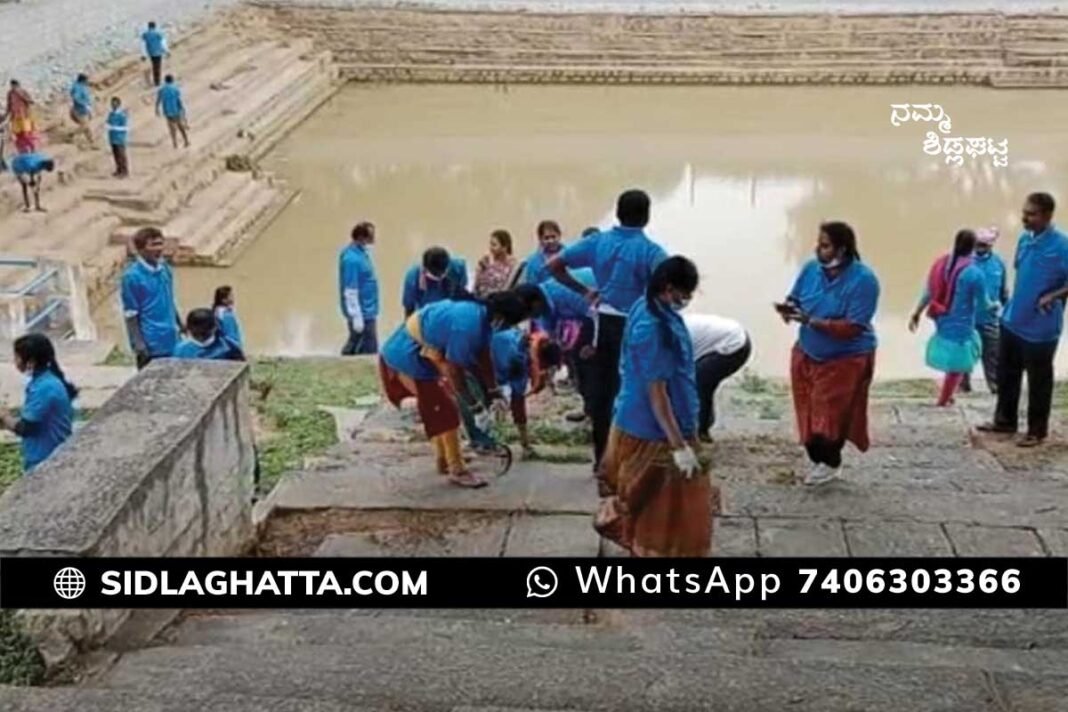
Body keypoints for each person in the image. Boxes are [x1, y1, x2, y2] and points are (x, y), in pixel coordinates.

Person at [594, 256, 714, 557]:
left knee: (664, 500)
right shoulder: (652, 328)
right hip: (653, 429)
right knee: (659, 502)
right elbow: (657, 395)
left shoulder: (650, 307)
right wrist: (678, 447)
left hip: (666, 421)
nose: (685, 301)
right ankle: (636, 539)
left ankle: (648, 543)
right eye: (683, 295)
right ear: (668, 288)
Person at [547, 189, 668, 470]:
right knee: (637, 390)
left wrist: (584, 290)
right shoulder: (652, 252)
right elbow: (667, 290)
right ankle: (631, 457)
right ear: (647, 216)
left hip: (600, 324)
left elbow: (554, 265)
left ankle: (602, 460)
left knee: (602, 396)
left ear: (617, 212)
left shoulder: (597, 242)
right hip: (635, 325)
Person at [379, 293, 526, 488]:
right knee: (446, 412)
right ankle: (457, 470)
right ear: (501, 318)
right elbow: (455, 372)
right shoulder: (467, 326)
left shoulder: (482, 318)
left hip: (424, 355)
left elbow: (483, 356)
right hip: (408, 356)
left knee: (440, 409)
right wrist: (476, 408)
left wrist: (494, 392)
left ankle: (444, 460)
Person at [776, 221, 879, 487]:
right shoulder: (811, 269)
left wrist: (812, 321)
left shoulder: (864, 281)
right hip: (807, 352)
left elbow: (854, 327)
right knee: (807, 409)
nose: (818, 250)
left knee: (830, 414)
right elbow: (795, 297)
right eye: (818, 244)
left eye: (825, 246)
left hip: (844, 359)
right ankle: (817, 456)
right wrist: (789, 307)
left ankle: (830, 462)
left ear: (842, 250)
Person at [978, 193, 1068, 447]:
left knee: (1039, 381)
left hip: (1041, 327)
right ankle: (1004, 421)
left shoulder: (1062, 245)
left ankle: (1036, 431)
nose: (1024, 218)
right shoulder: (1024, 240)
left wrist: (1054, 295)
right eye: (1024, 212)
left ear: (1048, 215)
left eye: (1032, 214)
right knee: (1007, 375)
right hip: (1013, 319)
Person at [909, 230, 987, 407]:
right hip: (962, 321)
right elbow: (984, 303)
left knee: (954, 357)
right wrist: (996, 306)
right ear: (973, 247)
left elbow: (929, 292)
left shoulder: (941, 264)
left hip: (942, 317)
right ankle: (943, 399)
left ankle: (948, 392)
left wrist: (917, 312)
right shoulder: (974, 273)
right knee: (959, 362)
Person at [0, 334, 76, 473]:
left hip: (46, 461)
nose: (15, 362)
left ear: (31, 361)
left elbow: (26, 428)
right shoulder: (45, 381)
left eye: (17, 357)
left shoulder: (44, 388)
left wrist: (5, 418)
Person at [491, 326, 562, 456]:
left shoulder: (525, 343)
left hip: (502, 366)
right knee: (499, 404)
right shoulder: (519, 355)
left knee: (504, 403)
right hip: (495, 368)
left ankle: (507, 441)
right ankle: (498, 441)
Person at [122, 227, 182, 369]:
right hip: (151, 341)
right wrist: (139, 343)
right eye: (153, 245)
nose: (159, 249)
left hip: (172, 338)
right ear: (141, 249)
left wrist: (180, 324)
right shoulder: (132, 277)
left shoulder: (165, 269)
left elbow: (169, 299)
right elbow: (131, 313)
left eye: (160, 244)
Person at [685, 313, 752, 442]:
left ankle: (701, 432)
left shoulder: (670, 337)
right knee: (702, 384)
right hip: (733, 334)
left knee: (699, 383)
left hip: (734, 346)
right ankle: (704, 423)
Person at [963, 226, 1009, 394]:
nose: (980, 248)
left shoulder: (998, 264)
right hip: (967, 319)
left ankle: (995, 387)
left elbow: (1004, 291)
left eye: (984, 245)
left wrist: (1008, 313)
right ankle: (963, 387)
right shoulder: (965, 262)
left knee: (993, 357)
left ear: (991, 245)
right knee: (965, 356)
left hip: (991, 319)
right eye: (978, 244)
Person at [339, 222, 379, 355]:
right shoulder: (351, 259)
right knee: (368, 348)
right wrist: (356, 316)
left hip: (369, 308)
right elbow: (350, 290)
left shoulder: (361, 253)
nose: (374, 237)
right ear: (362, 237)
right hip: (362, 312)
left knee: (357, 343)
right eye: (371, 235)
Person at [401, 247, 468, 317]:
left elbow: (462, 294)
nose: (441, 276)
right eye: (437, 275)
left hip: (452, 311)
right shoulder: (413, 278)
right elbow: (409, 309)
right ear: (425, 269)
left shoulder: (458, 268)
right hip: (428, 315)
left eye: (443, 272)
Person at [174, 309, 245, 361]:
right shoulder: (181, 351)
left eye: (204, 333)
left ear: (215, 328)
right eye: (197, 334)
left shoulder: (229, 347)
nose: (201, 337)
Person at [474, 229, 517, 296]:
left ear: (504, 247)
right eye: (490, 244)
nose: (490, 248)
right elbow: (477, 286)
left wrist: (492, 265)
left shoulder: (512, 264)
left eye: (494, 245)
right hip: (482, 297)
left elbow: (502, 285)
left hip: (500, 299)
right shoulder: (485, 260)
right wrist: (479, 270)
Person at [522, 220, 566, 285]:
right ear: (540, 239)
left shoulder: (569, 254)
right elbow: (531, 285)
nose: (551, 241)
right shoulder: (533, 261)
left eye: (553, 237)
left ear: (559, 236)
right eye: (546, 238)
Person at [4, 80, 38, 154]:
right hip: (15, 118)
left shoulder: (23, 92)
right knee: (18, 135)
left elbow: (31, 101)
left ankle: (33, 150)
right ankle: (22, 152)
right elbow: (9, 105)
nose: (13, 88)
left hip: (24, 116)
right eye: (12, 86)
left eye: (15, 86)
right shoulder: (10, 93)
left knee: (26, 134)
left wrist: (21, 95)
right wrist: (6, 115)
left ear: (18, 85)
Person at [156, 75, 189, 149]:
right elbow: (179, 100)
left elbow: (158, 100)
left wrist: (157, 109)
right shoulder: (175, 89)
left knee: (171, 128)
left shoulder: (162, 90)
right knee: (180, 126)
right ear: (172, 80)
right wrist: (182, 108)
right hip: (176, 110)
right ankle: (186, 140)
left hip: (167, 111)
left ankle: (175, 143)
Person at [213, 285, 244, 350]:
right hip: (230, 349)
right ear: (223, 300)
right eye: (231, 296)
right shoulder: (226, 315)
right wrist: (238, 349)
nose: (233, 298)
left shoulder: (217, 312)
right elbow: (231, 336)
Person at [142, 21, 169, 87]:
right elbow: (163, 43)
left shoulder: (145, 34)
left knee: (154, 66)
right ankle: (157, 81)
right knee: (158, 66)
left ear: (148, 26)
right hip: (158, 52)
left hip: (150, 53)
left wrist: (144, 55)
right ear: (154, 26)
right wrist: (166, 51)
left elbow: (143, 45)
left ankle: (156, 80)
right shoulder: (158, 33)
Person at [69, 73, 93, 145]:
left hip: (82, 110)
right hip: (79, 111)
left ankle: (91, 140)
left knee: (86, 126)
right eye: (86, 80)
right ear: (82, 80)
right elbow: (75, 98)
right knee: (85, 126)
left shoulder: (78, 86)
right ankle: (72, 134)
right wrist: (85, 104)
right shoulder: (78, 88)